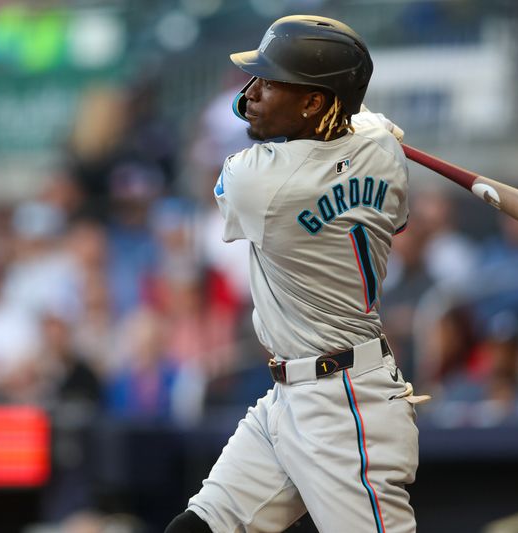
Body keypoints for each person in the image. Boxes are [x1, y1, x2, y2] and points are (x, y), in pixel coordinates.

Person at [166, 15, 428, 533]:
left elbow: (252, 131)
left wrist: (366, 124)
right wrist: (367, 126)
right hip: (296, 391)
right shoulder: (383, 153)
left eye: (269, 81)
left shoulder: (256, 183)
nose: (251, 92)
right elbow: (393, 216)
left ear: (313, 102)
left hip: (346, 407)